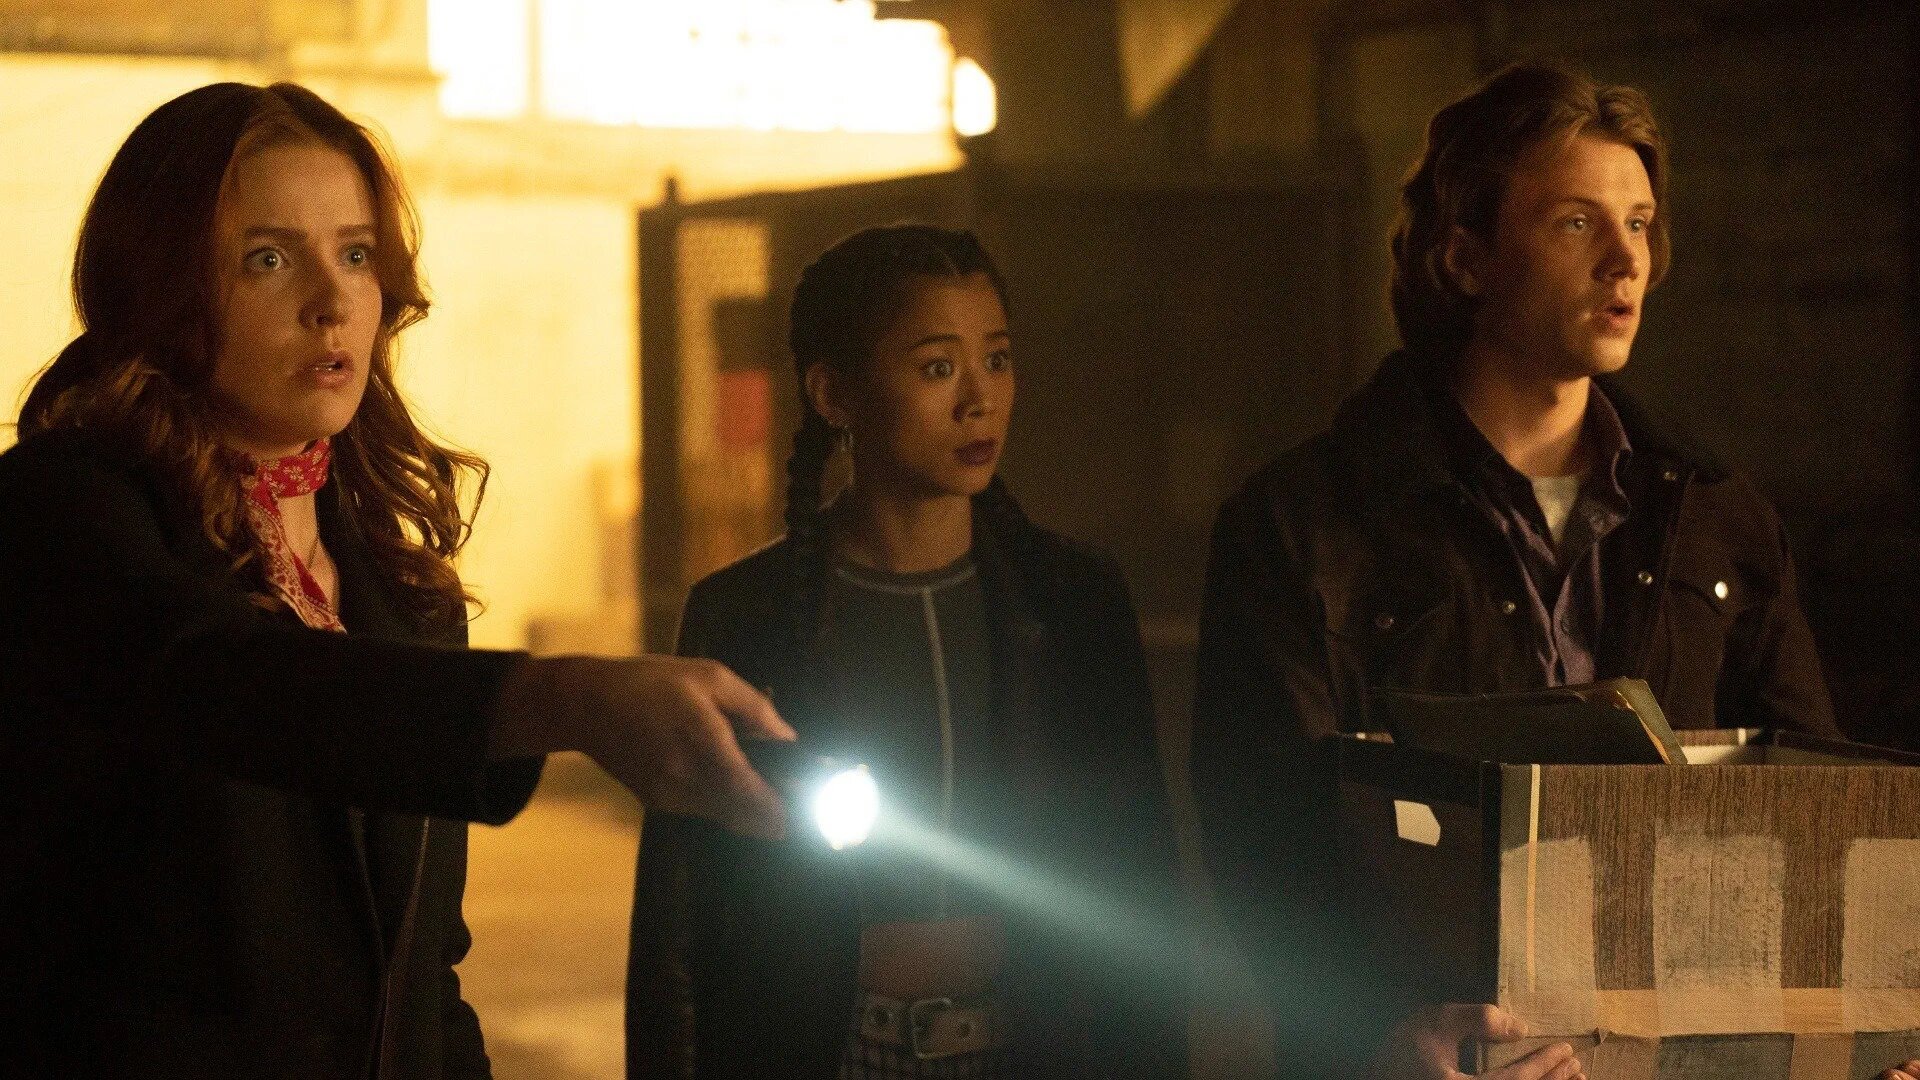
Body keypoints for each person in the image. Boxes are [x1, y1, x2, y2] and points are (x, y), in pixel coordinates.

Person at [0, 81, 792, 1079]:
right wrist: (562, 698)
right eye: (268, 258)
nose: (332, 302)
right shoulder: (61, 511)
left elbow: (422, 973)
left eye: (357, 254)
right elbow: (214, 678)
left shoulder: (397, 588)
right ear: (160, 287)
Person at [1190, 62, 1844, 1080]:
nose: (1627, 260)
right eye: (1578, 223)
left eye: (1640, 222)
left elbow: (1819, 809)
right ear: (1465, 258)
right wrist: (1370, 1040)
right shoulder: (1305, 520)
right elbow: (1260, 840)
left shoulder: (1718, 518)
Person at [626, 225, 1188, 1079]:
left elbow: (1141, 871)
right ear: (834, 393)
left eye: (996, 359)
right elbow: (683, 911)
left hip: (1033, 1050)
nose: (979, 399)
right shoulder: (748, 614)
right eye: (937, 368)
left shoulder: (1071, 600)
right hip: (831, 1051)